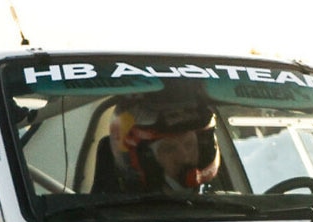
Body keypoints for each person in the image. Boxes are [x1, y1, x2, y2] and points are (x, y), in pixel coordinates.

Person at [94, 83, 223, 195]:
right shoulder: (111, 215)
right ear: (145, 158)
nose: (185, 157)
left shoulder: (227, 206)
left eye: (189, 145)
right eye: (169, 149)